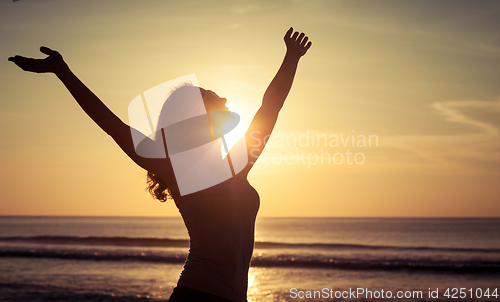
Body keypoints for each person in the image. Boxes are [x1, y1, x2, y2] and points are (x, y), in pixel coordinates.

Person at [8, 27, 312, 302]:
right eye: (211, 96)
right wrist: (62, 71)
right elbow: (112, 125)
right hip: (198, 295)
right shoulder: (177, 169)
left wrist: (292, 58)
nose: (223, 96)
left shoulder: (236, 163)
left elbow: (270, 107)